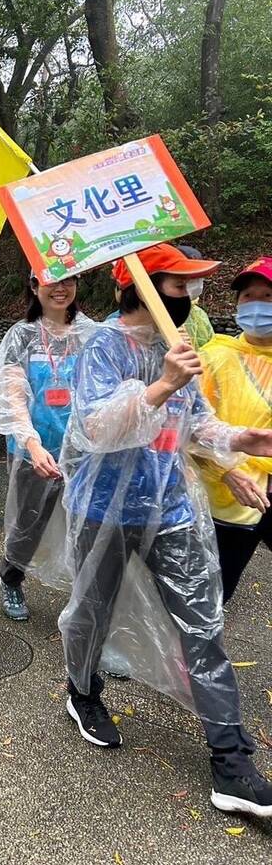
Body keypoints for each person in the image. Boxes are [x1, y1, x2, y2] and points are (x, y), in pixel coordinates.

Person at [58, 243, 272, 818]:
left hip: (172, 508)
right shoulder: (100, 345)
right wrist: (161, 386)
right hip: (103, 510)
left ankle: (231, 762)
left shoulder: (179, 349)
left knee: (204, 626)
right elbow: (97, 427)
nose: (190, 298)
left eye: (194, 288)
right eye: (180, 286)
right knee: (91, 612)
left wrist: (241, 441)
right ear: (142, 286)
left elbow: (196, 425)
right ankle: (82, 691)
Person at [0, 274, 96, 619]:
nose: (60, 288)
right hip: (36, 449)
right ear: (34, 286)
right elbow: (12, 396)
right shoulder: (22, 336)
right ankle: (12, 578)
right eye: (51, 281)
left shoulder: (90, 334)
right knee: (28, 524)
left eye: (69, 280)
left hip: (84, 450)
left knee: (89, 528)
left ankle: (89, 597)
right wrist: (31, 443)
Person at [198, 257, 272, 601]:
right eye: (248, 297)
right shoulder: (216, 357)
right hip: (228, 495)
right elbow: (190, 428)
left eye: (268, 296)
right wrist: (225, 470)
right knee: (214, 590)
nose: (257, 304)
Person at [178, 244, 215, 348]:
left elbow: (212, 348)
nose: (196, 282)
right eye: (189, 278)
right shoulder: (157, 315)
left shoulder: (199, 314)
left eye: (199, 277)